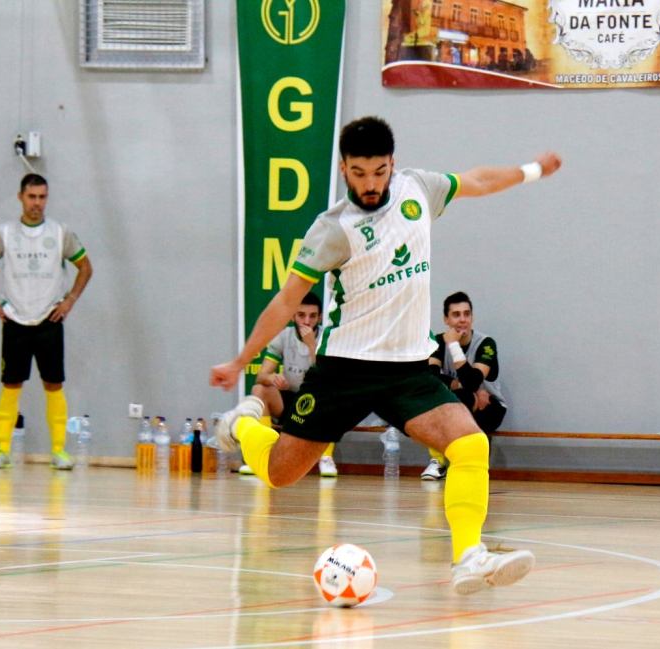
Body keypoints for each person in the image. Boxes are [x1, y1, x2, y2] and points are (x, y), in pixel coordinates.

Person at [210, 116, 561, 594]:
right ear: (343, 168)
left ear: (392, 164)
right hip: (344, 371)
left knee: (470, 444)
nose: (369, 184)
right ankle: (241, 425)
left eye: (378, 172)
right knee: (278, 475)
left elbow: (477, 180)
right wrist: (240, 360)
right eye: (358, 173)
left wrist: (532, 171)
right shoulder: (333, 229)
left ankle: (469, 557)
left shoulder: (419, 189)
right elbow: (287, 300)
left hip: (408, 370)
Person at [0, 174, 93, 470]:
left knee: (54, 383)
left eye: (42, 197)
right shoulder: (5, 233)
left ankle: (58, 451)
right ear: (20, 197)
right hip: (15, 319)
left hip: (49, 318)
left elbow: (85, 268)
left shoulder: (60, 232)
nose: (37, 203)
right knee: (11, 383)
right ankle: (2, 450)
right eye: (32, 197)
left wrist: (69, 301)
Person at [239, 292, 340, 477]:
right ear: (293, 315)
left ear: (320, 317)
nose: (306, 321)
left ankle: (326, 457)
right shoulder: (283, 336)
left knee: (332, 394)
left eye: (312, 316)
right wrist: (272, 378)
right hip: (288, 401)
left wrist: (311, 346)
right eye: (301, 315)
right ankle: (262, 454)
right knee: (259, 389)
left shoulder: (328, 337)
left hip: (315, 404)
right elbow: (261, 376)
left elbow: (328, 377)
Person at [421, 291, 508, 480]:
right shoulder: (436, 342)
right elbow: (430, 377)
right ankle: (439, 461)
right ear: (446, 319)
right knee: (453, 398)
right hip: (461, 402)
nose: (462, 320)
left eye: (467, 314)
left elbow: (473, 381)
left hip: (490, 407)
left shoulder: (486, 344)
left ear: (472, 317)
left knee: (462, 399)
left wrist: (453, 345)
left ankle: (458, 463)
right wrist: (459, 384)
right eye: (456, 314)